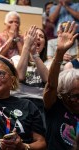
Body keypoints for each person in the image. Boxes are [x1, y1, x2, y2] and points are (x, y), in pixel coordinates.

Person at [43, 21, 79, 150]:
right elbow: (51, 86)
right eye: (75, 96)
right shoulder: (56, 106)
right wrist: (59, 53)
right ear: (63, 94)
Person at [11, 25, 48, 127]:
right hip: (19, 101)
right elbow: (20, 77)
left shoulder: (49, 62)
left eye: (41, 36)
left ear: (44, 45)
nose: (37, 38)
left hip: (41, 105)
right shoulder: (16, 59)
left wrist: (35, 55)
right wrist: (26, 47)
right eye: (34, 35)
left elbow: (48, 80)